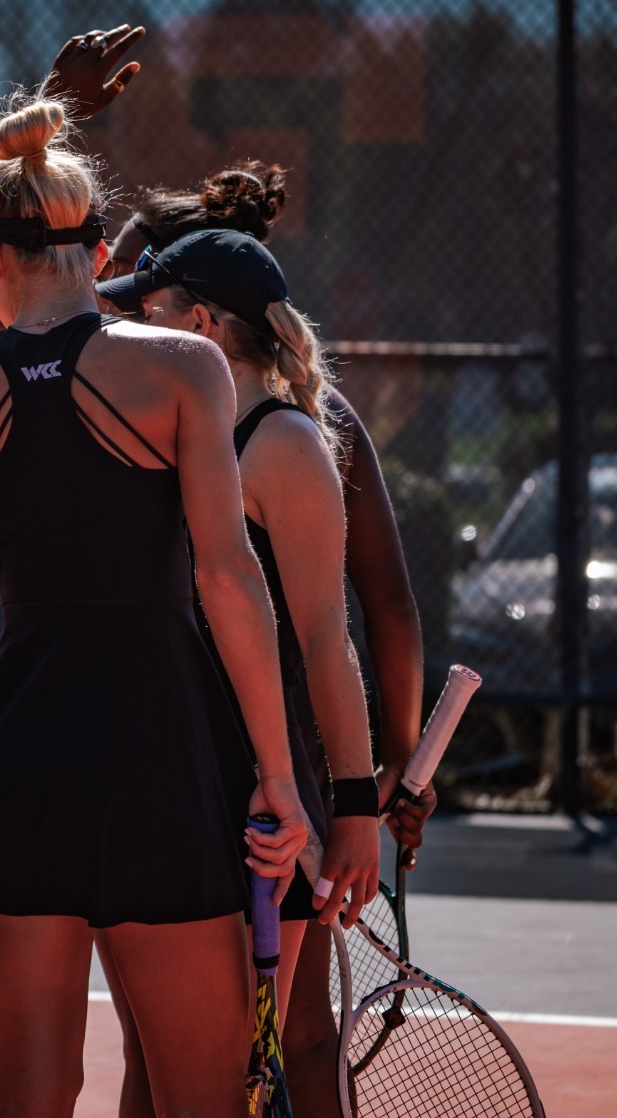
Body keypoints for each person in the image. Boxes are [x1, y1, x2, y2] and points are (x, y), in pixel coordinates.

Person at [0, 96, 308, 1117]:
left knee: (29, 1085)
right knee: (199, 1090)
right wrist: (278, 775)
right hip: (154, 748)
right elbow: (224, 577)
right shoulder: (180, 367)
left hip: (17, 756)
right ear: (97, 249)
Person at [96, 167, 436, 1118]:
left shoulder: (283, 443)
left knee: (266, 1050)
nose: (127, 327)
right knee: (161, 1057)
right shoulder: (169, 429)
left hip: (255, 794)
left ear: (199, 326)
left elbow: (333, 638)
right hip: (168, 779)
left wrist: (358, 806)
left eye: (148, 309)